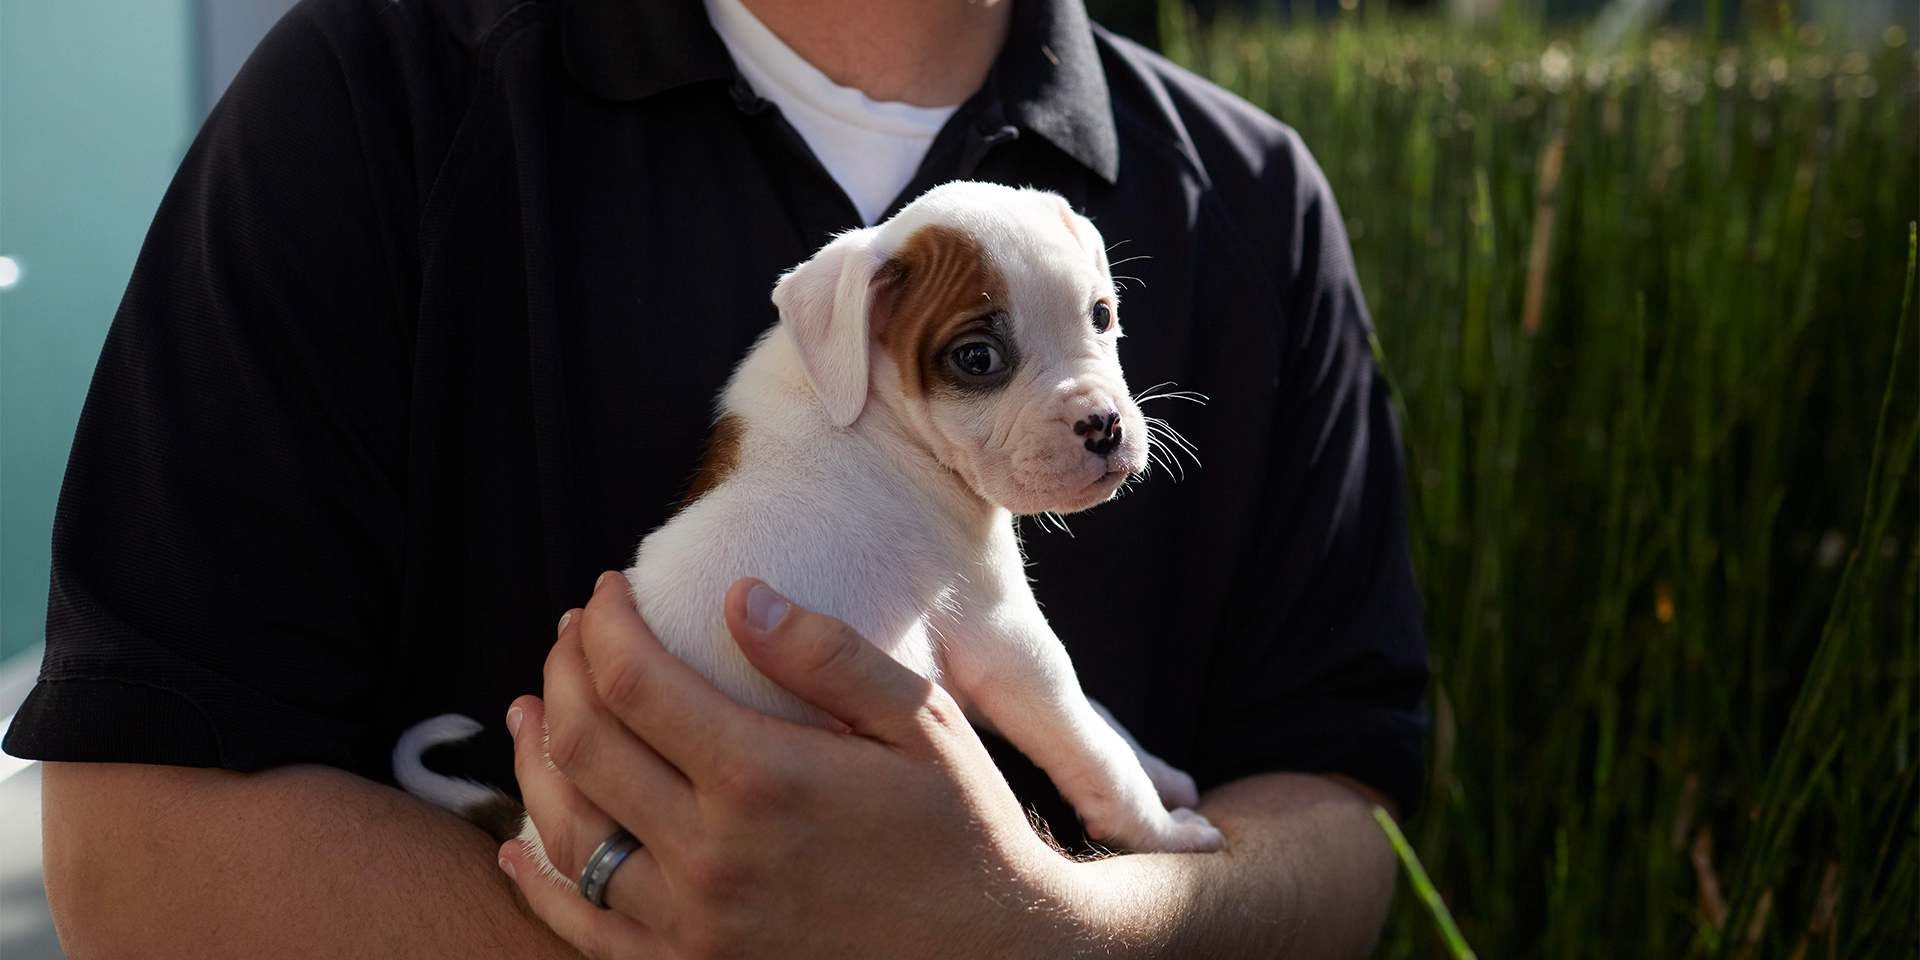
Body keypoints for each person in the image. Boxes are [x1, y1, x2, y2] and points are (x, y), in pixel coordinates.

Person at [9, 0, 1430, 955]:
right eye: (983, 357)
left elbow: (1342, 818)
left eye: (1108, 324)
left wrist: (1045, 927)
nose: (1102, 393)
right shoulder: (383, 90)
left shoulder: (1252, 198)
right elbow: (133, 850)